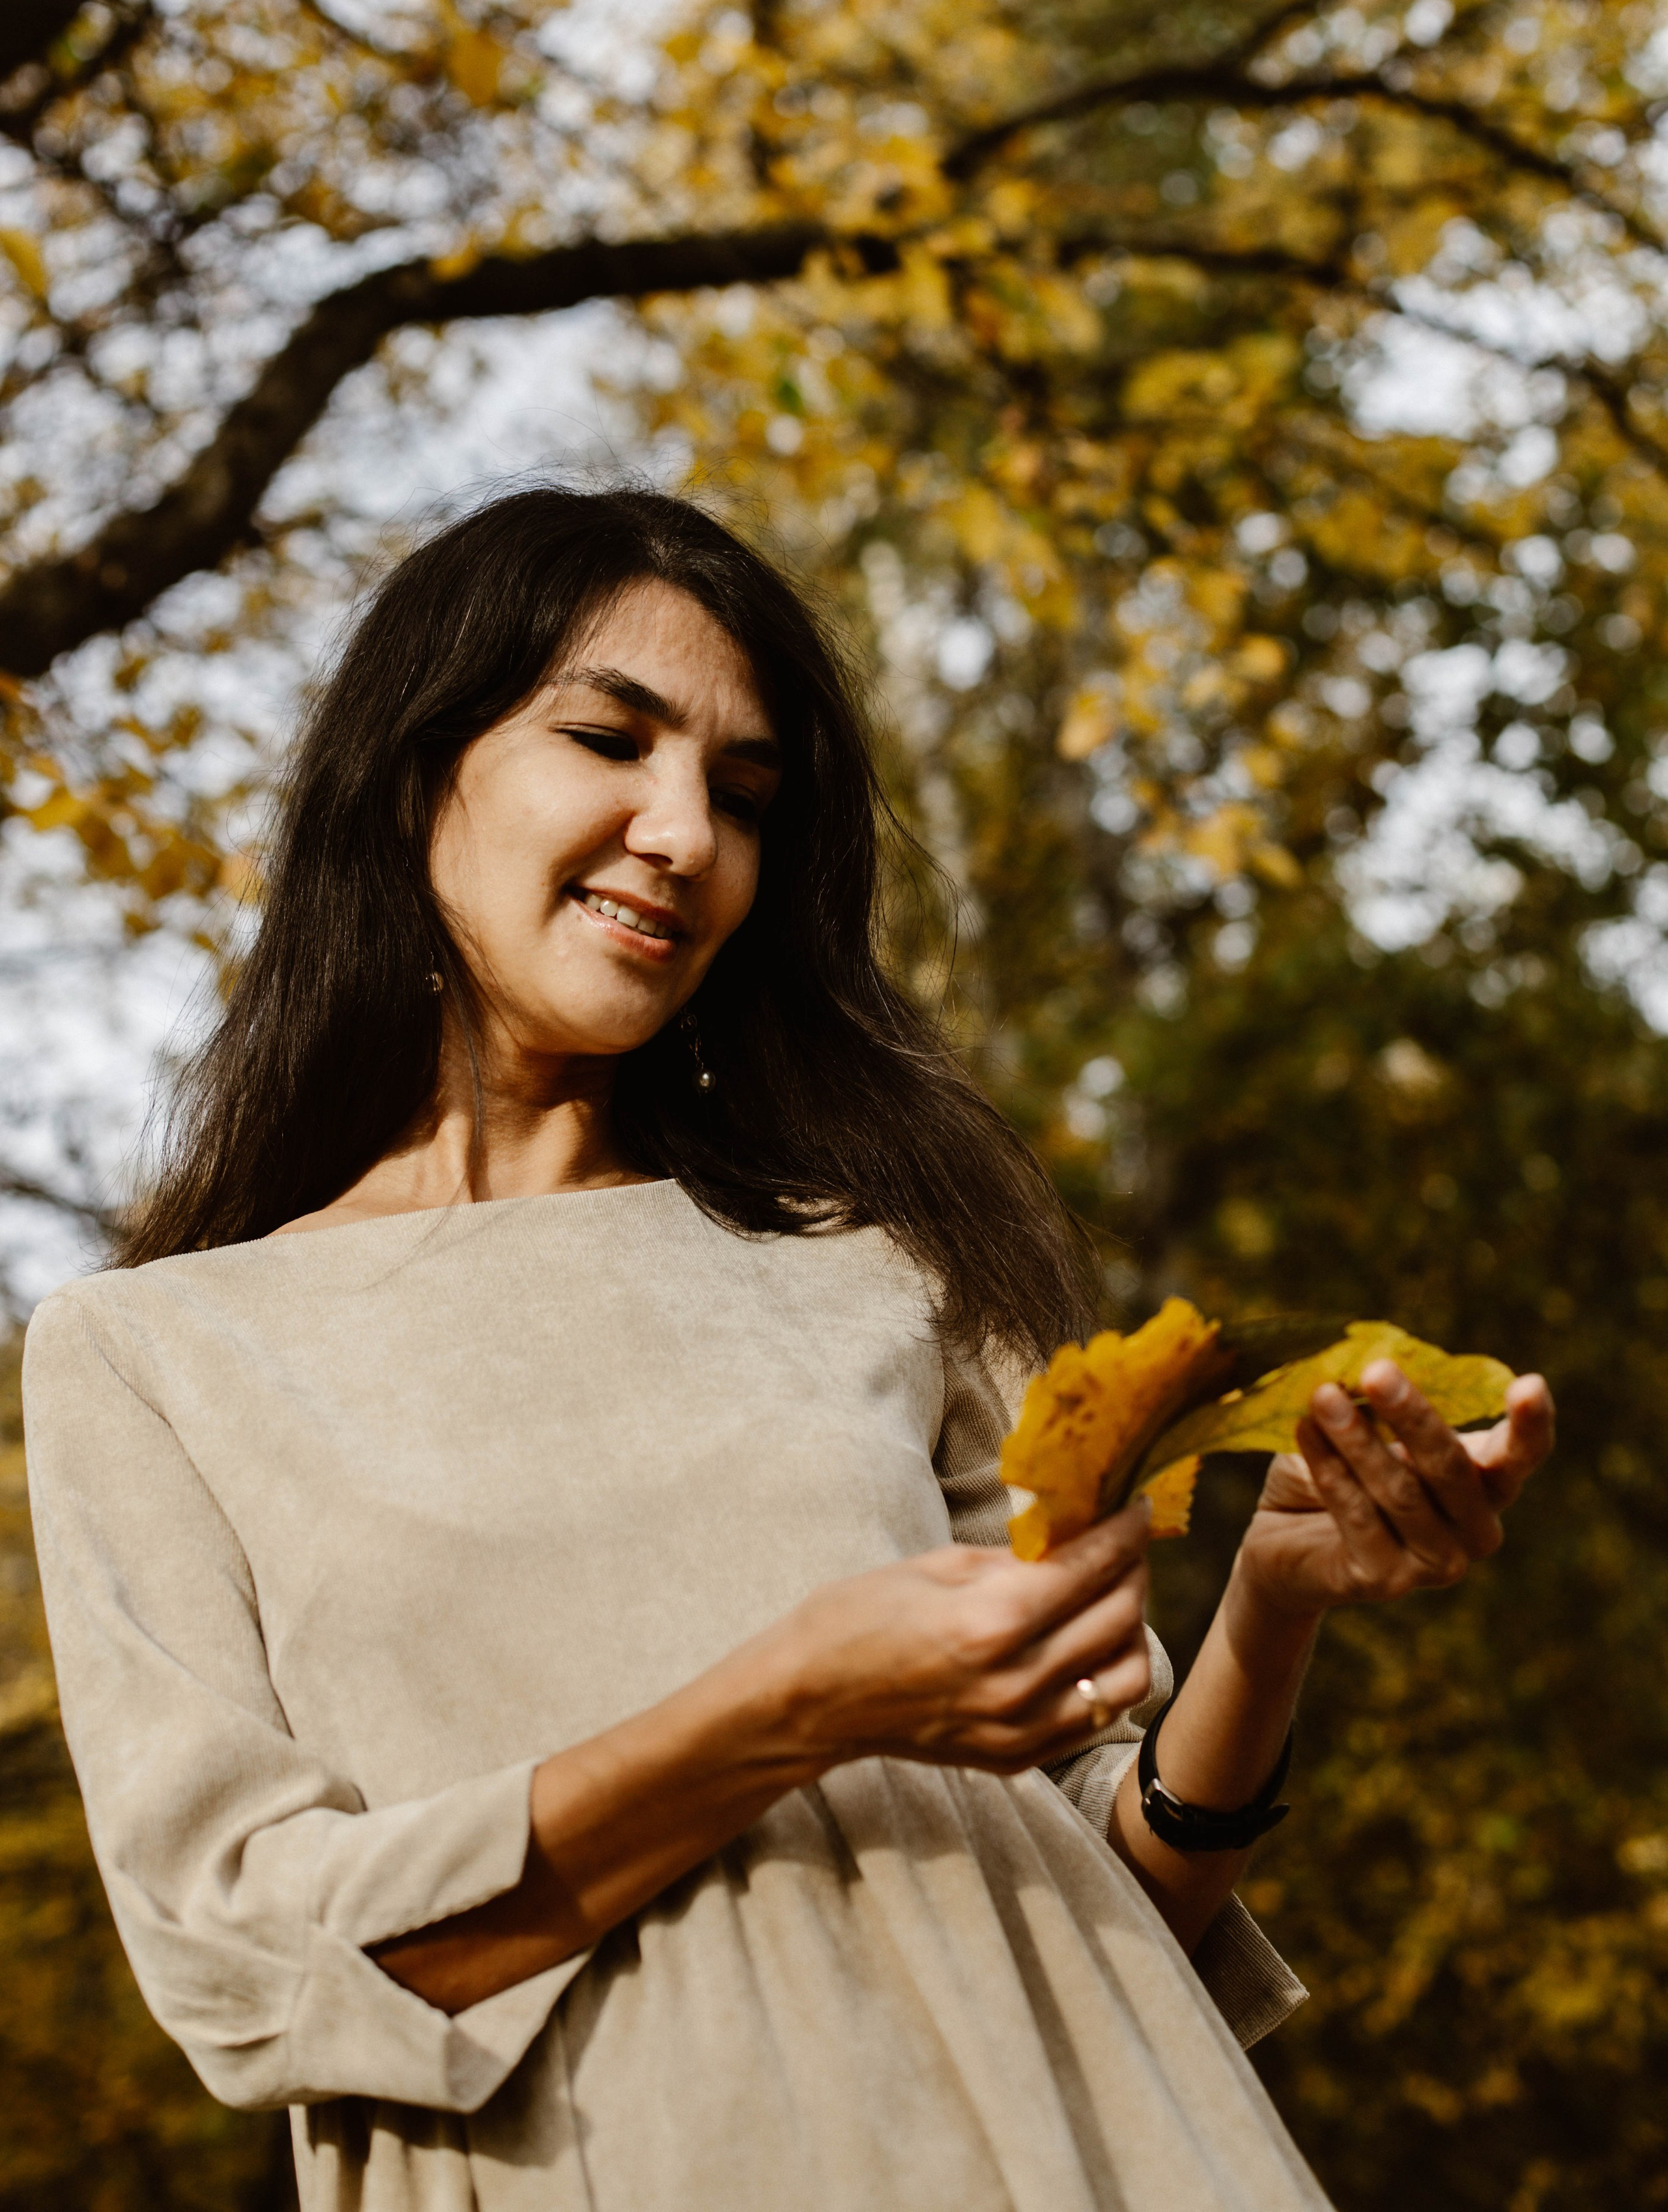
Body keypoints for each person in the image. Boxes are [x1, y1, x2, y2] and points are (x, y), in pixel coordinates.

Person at [22, 488, 1553, 2212]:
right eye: (610, 737)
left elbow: (1113, 1879)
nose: (683, 833)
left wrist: (1272, 1607)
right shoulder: (153, 1354)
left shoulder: (882, 1265)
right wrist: (777, 1712)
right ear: (408, 776)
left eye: (743, 798)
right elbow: (247, 1965)